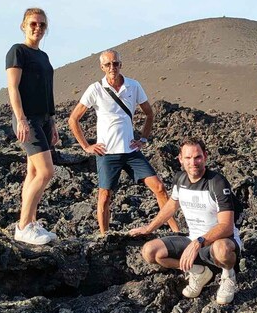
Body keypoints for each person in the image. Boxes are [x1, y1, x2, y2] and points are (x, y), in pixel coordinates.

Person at [68, 49, 179, 234]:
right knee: (104, 197)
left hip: (131, 152)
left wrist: (143, 138)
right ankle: (104, 237)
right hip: (107, 153)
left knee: (159, 187)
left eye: (116, 63)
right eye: (108, 64)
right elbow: (73, 119)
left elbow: (149, 114)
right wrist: (86, 146)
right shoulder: (95, 89)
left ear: (121, 64)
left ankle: (177, 232)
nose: (112, 67)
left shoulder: (133, 86)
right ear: (102, 67)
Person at [128, 138, 242, 305]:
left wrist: (198, 243)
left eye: (197, 157)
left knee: (222, 249)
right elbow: (171, 206)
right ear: (180, 159)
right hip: (192, 239)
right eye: (188, 158)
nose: (193, 162)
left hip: (218, 241)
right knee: (150, 252)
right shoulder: (180, 179)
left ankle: (228, 275)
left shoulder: (216, 182)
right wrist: (149, 228)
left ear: (205, 157)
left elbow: (226, 226)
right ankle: (199, 272)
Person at [6, 7, 60, 245]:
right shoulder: (18, 51)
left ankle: (31, 223)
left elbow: (46, 90)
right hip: (28, 119)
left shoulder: (44, 56)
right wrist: (21, 118)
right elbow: (13, 87)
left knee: (33, 173)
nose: (37, 28)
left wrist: (53, 121)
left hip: (44, 118)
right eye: (33, 24)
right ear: (23, 26)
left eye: (42, 25)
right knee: (47, 172)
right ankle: (23, 225)